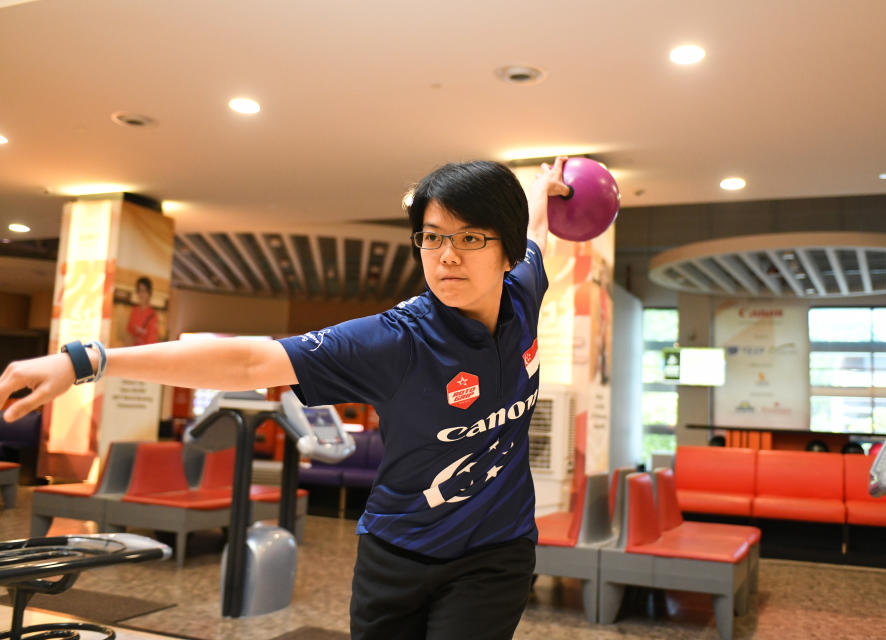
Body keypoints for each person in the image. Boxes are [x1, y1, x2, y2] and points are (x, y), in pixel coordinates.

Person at [0, 157, 571, 640]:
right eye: (433, 235)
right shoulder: (394, 341)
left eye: (470, 238)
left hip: (497, 551)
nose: (447, 255)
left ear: (505, 254)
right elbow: (251, 360)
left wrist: (542, 192)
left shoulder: (523, 290)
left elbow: (538, 236)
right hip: (397, 553)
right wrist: (88, 360)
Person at [126, 276, 159, 346]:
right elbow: (128, 334)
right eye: (139, 290)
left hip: (144, 354)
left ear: (149, 293)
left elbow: (152, 342)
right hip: (132, 352)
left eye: (144, 291)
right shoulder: (134, 311)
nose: (141, 294)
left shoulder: (152, 315)